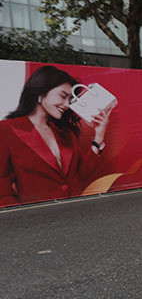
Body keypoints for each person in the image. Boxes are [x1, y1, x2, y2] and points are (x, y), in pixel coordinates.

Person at [0, 65, 112, 206]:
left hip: (75, 213)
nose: (66, 105)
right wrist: (19, 218)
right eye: (63, 96)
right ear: (40, 92)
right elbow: (2, 186)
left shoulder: (66, 134)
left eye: (70, 100)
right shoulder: (6, 129)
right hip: (36, 220)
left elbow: (82, 176)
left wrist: (99, 136)